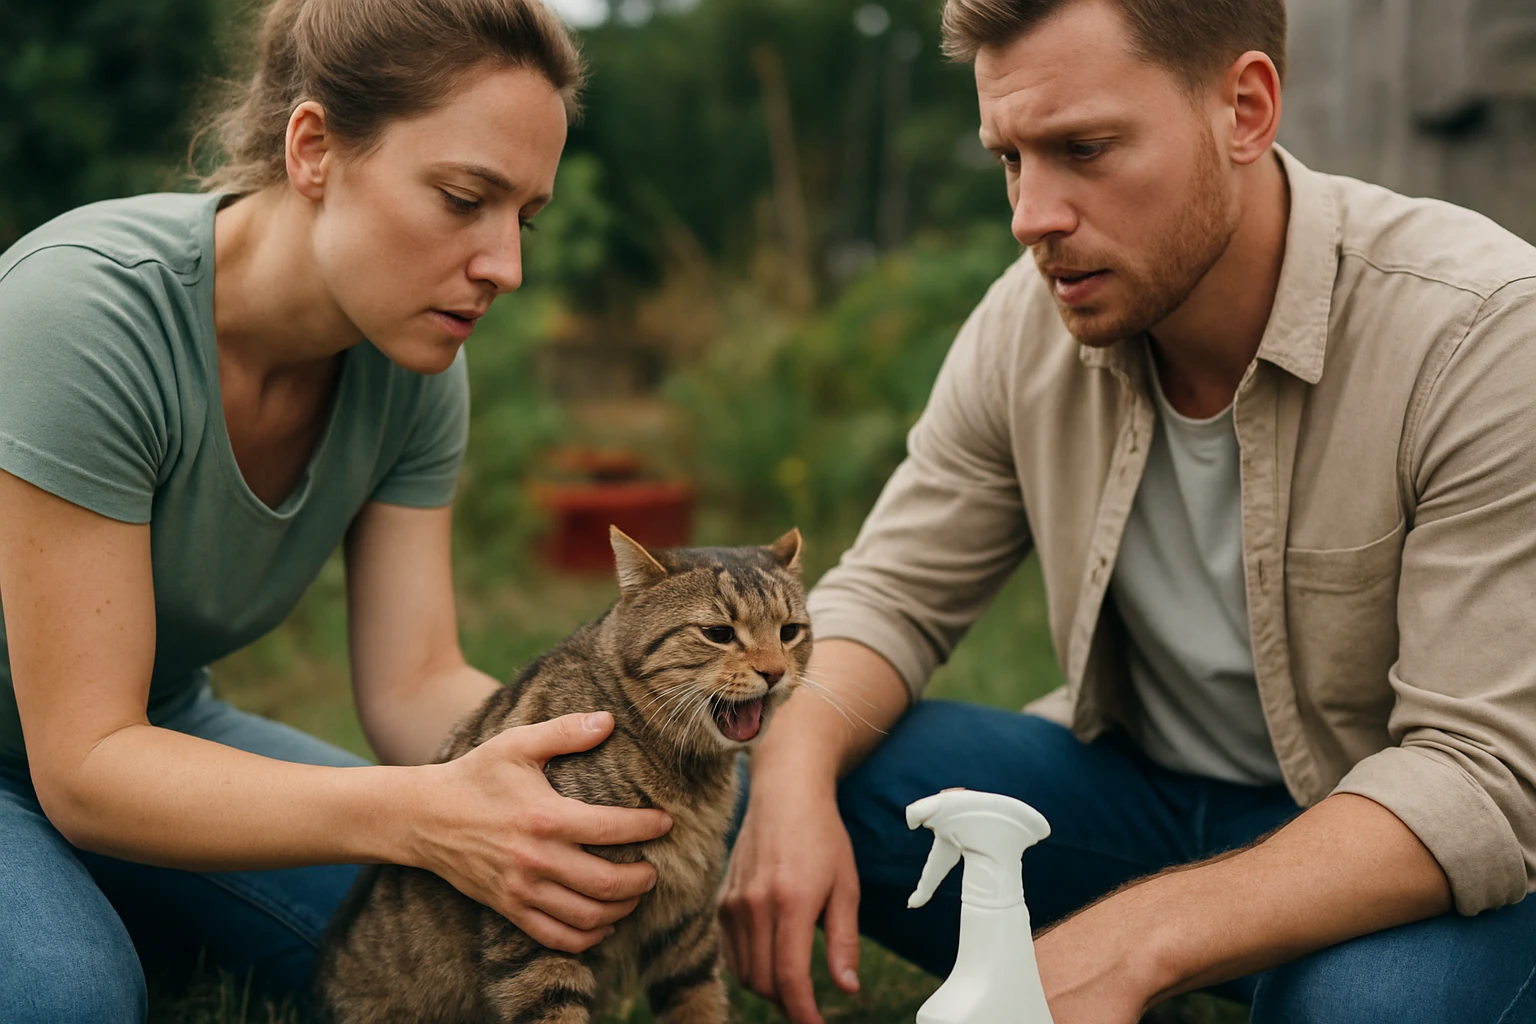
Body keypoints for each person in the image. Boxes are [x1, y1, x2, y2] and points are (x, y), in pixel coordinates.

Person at [718, 1, 1536, 1022]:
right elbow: (890, 597)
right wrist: (789, 781)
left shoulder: (1483, 333)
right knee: (755, 774)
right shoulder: (1029, 318)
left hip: (1401, 842)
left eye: (1084, 149)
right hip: (1142, 797)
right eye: (1011, 158)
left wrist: (1135, 941)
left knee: (1374, 1007)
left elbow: (1481, 776)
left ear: (1245, 108)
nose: (1030, 216)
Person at [0, 1, 673, 1020]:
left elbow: (414, 682)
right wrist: (419, 816)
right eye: (462, 198)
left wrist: (601, 768)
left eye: (522, 218)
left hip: (158, 732)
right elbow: (86, 763)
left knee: (475, 953)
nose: (507, 267)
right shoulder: (84, 317)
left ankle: (118, 898)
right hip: (88, 759)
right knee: (71, 1000)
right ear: (313, 148)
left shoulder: (414, 362)